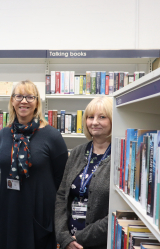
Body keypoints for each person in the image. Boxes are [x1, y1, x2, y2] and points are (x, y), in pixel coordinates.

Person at [0, 80, 68, 249]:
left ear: (37, 102)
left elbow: (61, 180)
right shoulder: (4, 134)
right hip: (8, 211)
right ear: (12, 101)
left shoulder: (52, 135)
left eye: (29, 97)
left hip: (38, 213)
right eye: (19, 96)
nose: (23, 101)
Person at [55, 96, 113, 249]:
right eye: (90, 117)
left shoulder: (120, 156)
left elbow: (117, 211)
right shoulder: (77, 152)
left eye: (102, 117)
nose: (94, 122)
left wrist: (80, 238)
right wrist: (64, 236)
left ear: (113, 120)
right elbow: (62, 196)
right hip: (68, 241)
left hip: (99, 242)